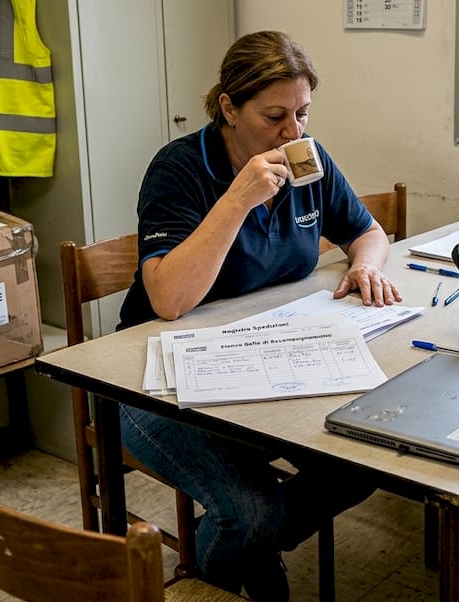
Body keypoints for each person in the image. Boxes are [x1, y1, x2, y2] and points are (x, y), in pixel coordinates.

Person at [116, 30, 401, 600]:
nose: (293, 132)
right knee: (248, 508)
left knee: (364, 460)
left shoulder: (307, 158)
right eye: (275, 116)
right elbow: (169, 299)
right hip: (153, 379)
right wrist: (237, 199)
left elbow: (367, 231)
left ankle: (252, 546)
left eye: (303, 112)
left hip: (264, 357)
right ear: (229, 108)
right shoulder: (179, 169)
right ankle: (226, 565)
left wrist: (366, 265)